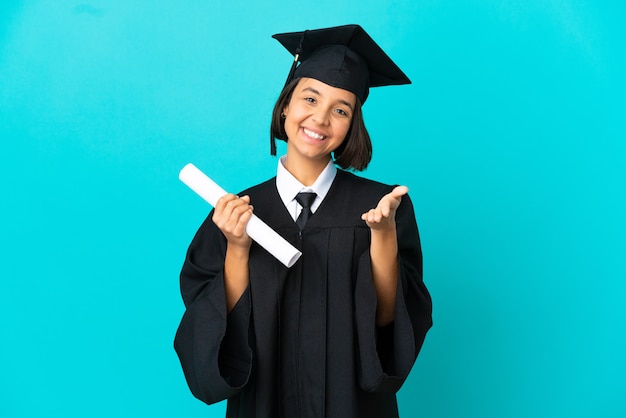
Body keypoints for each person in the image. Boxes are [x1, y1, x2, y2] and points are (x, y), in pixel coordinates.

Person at [174, 24, 432, 418]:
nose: (321, 118)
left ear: (352, 126)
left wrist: (381, 237)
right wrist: (238, 250)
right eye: (309, 98)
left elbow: (388, 325)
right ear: (285, 106)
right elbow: (211, 331)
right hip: (263, 404)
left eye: (341, 109)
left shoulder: (382, 206)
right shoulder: (237, 212)